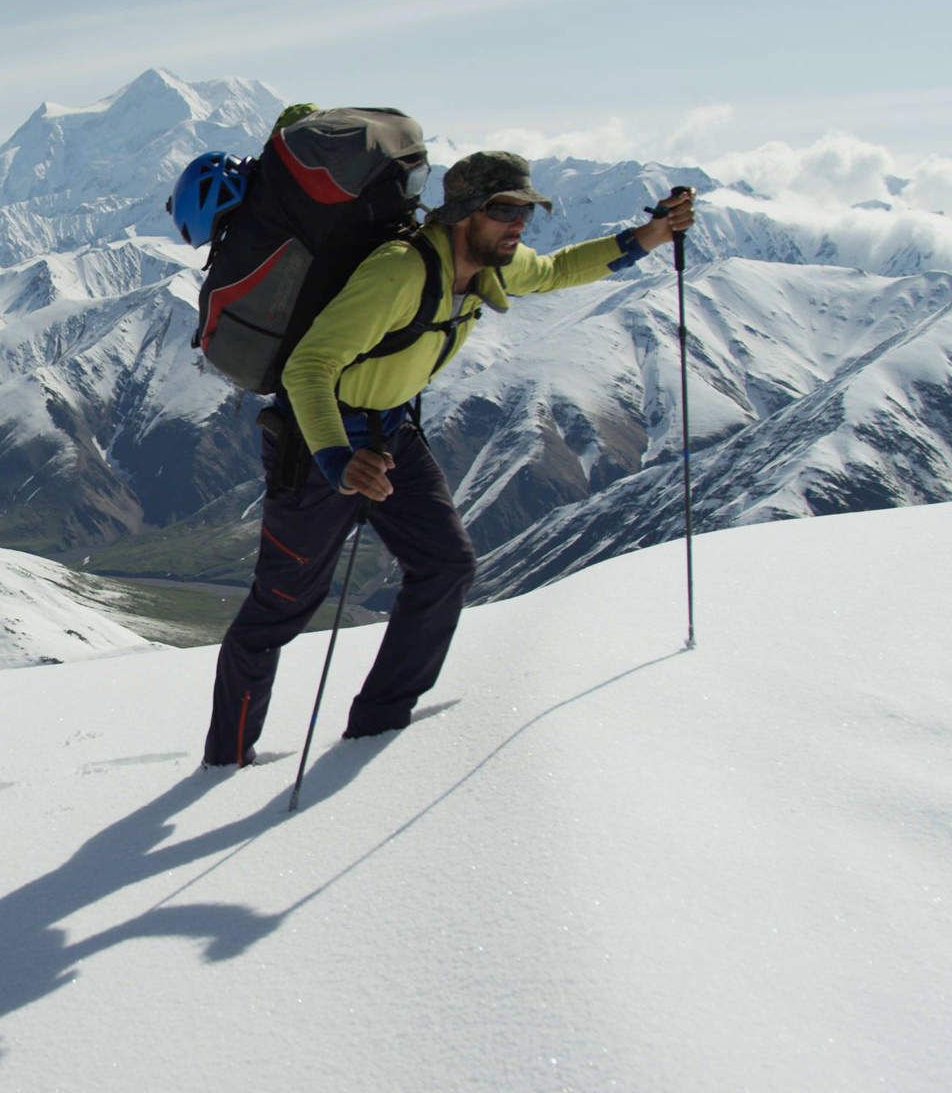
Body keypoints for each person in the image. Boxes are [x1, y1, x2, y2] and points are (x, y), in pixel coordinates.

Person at [203, 152, 695, 766]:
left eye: (526, 210)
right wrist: (338, 461)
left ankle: (376, 729)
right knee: (281, 609)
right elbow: (309, 367)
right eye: (504, 210)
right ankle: (225, 758)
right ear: (465, 214)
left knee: (447, 567)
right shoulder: (400, 274)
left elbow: (559, 269)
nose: (519, 225)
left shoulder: (487, 266)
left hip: (391, 435)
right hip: (318, 444)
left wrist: (650, 235)